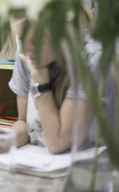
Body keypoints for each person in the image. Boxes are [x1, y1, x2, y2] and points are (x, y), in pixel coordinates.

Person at [9, 17, 116, 154]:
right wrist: (3, 140)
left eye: (35, 41)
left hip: (86, 169)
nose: (26, 49)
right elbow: (23, 123)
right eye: (22, 39)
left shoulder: (91, 60)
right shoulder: (27, 54)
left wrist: (41, 82)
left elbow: (58, 143)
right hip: (42, 166)